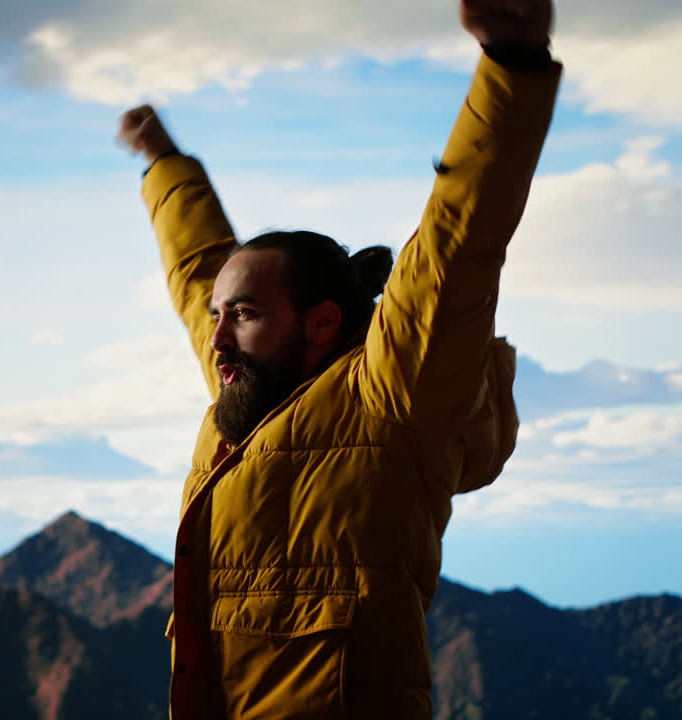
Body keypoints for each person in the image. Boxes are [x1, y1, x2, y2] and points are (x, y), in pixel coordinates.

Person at [116, 1, 561, 717]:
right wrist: (164, 163)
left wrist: (511, 68)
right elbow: (200, 268)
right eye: (218, 319)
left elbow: (457, 244)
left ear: (322, 323)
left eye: (246, 315)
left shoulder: (391, 397)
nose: (217, 338)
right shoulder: (253, 394)